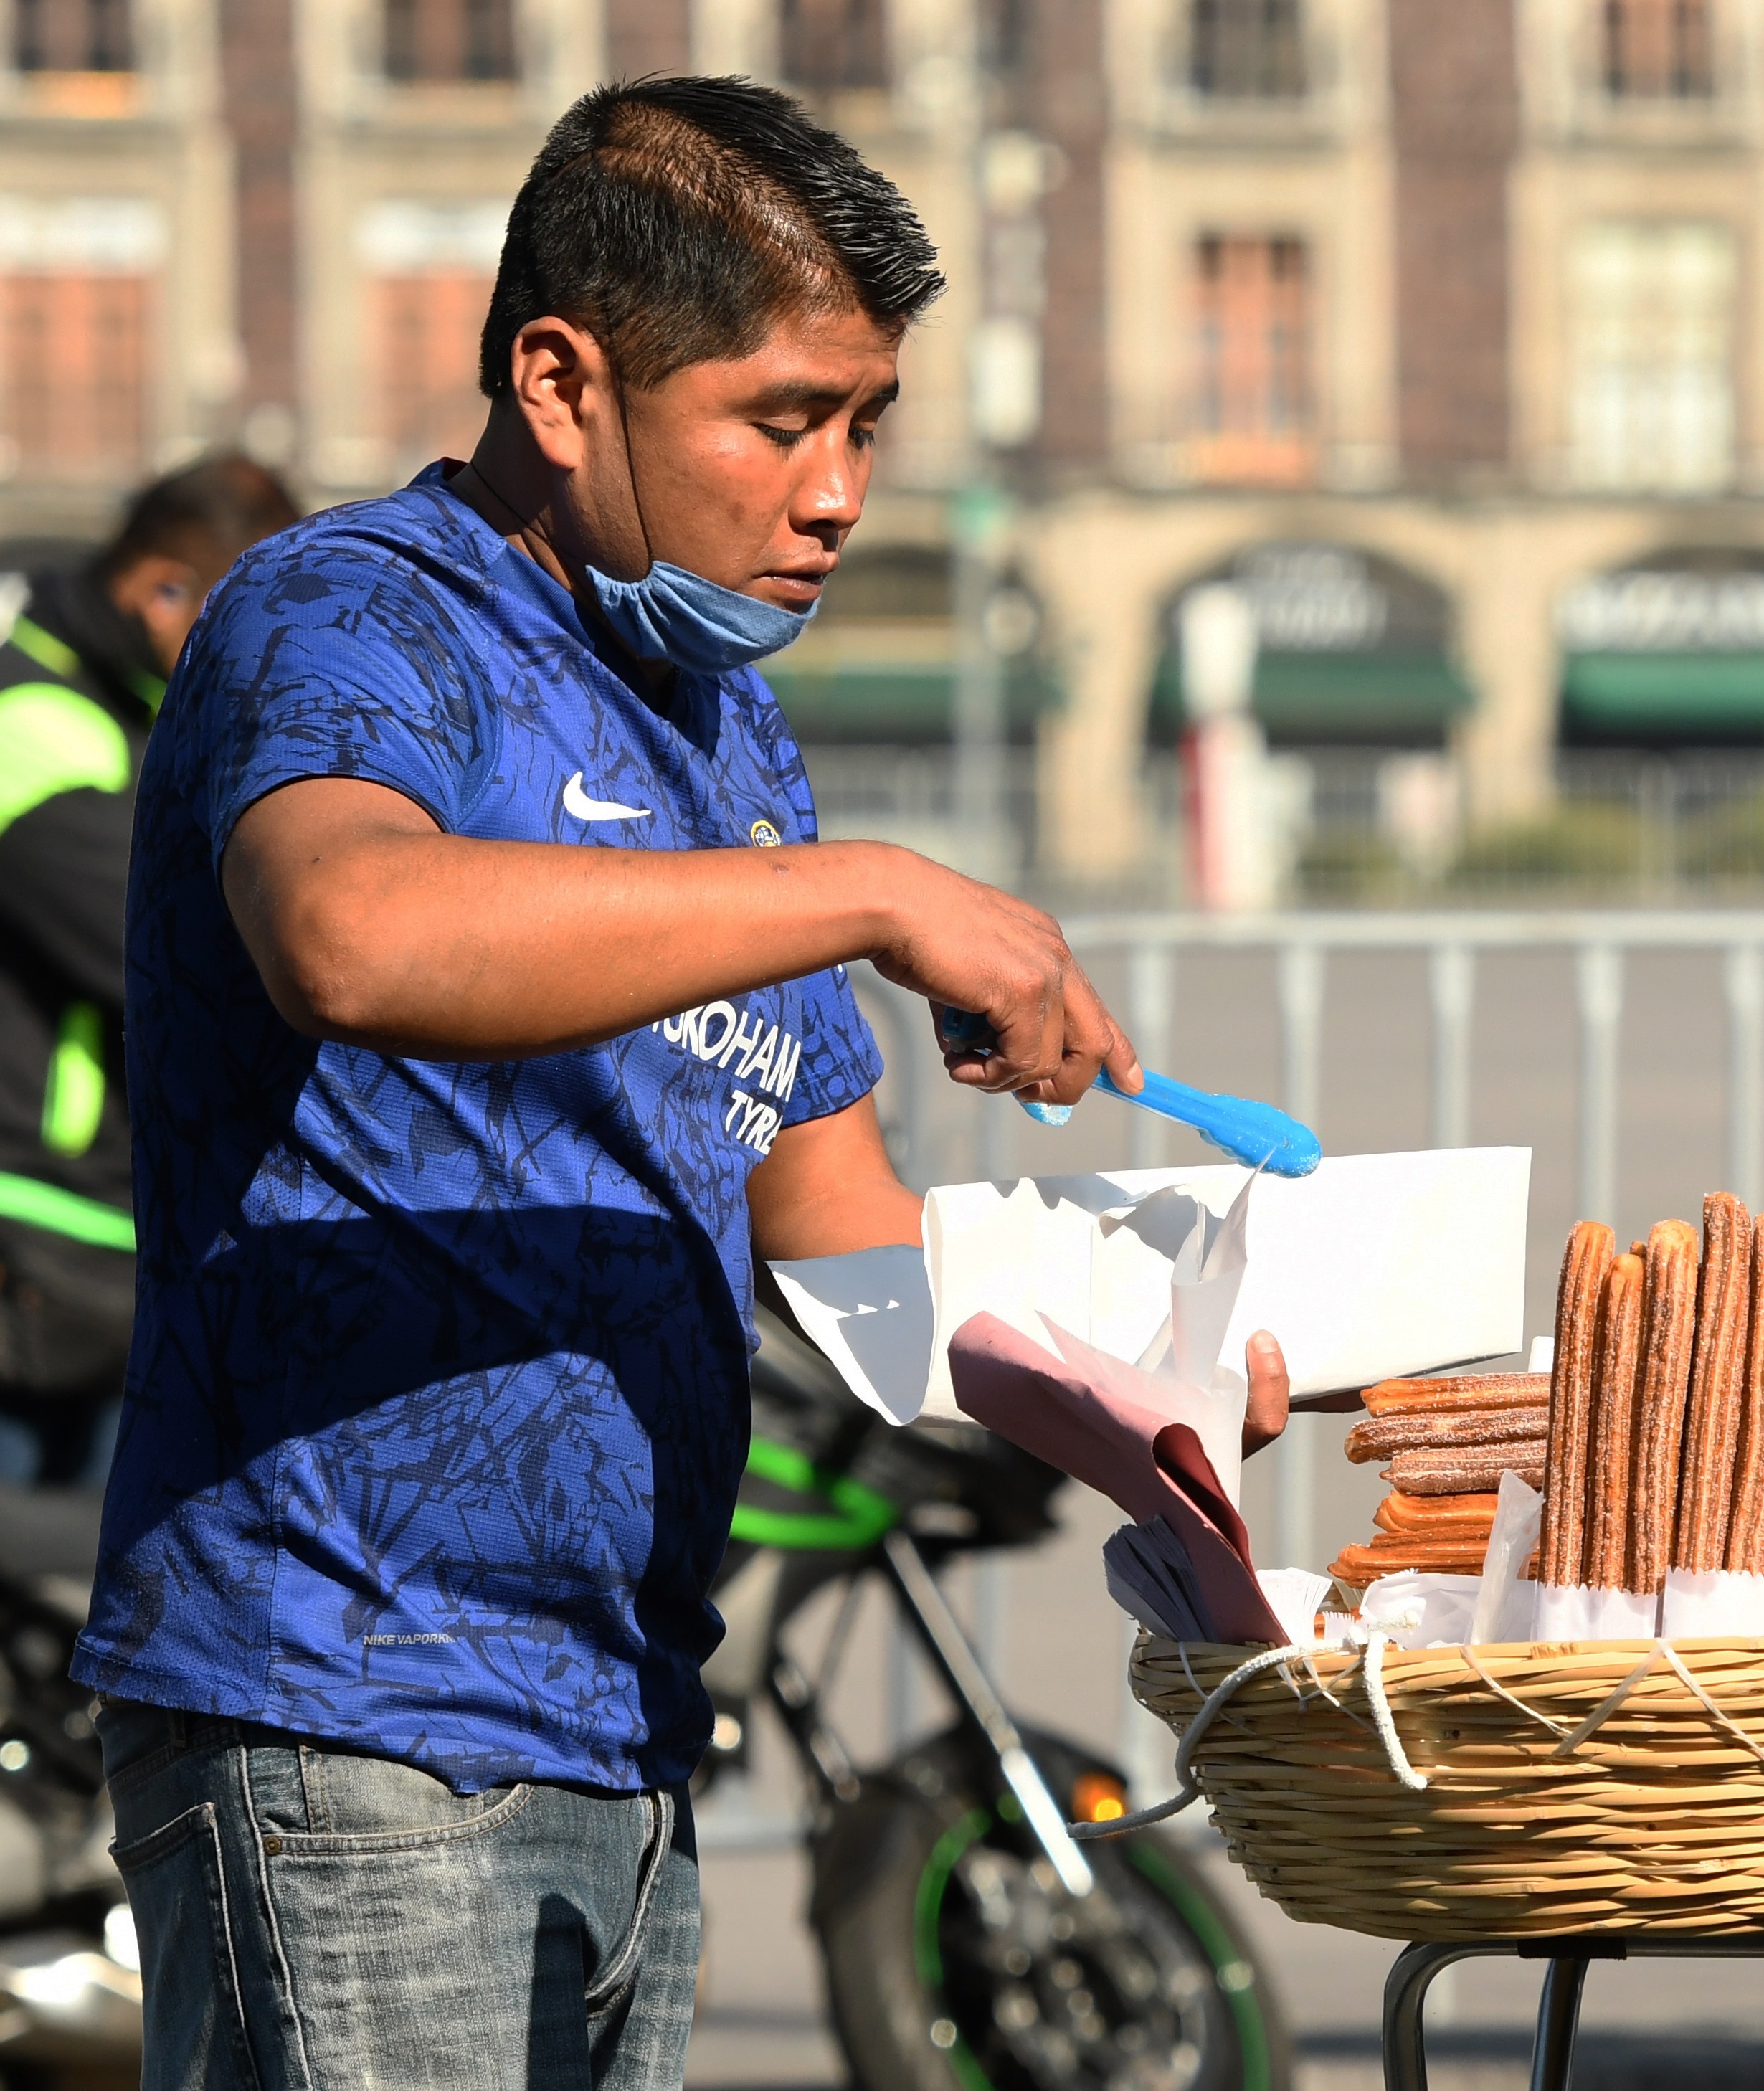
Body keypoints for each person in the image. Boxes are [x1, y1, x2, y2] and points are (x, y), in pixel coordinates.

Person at [68, 77, 1289, 2091]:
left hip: (621, 1725)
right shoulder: (352, 613)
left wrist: (1164, 1370)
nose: (837, 493)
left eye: (868, 425)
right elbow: (350, 935)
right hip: (346, 1712)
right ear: (562, 383)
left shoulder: (727, 735)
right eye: (780, 419)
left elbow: (849, 1243)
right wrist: (876, 894)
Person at [0, 457, 298, 1485]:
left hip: (91, 1243)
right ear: (159, 590)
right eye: (245, 622)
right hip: (33, 1238)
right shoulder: (32, 732)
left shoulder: (129, 718)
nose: (264, 661)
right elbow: (180, 962)